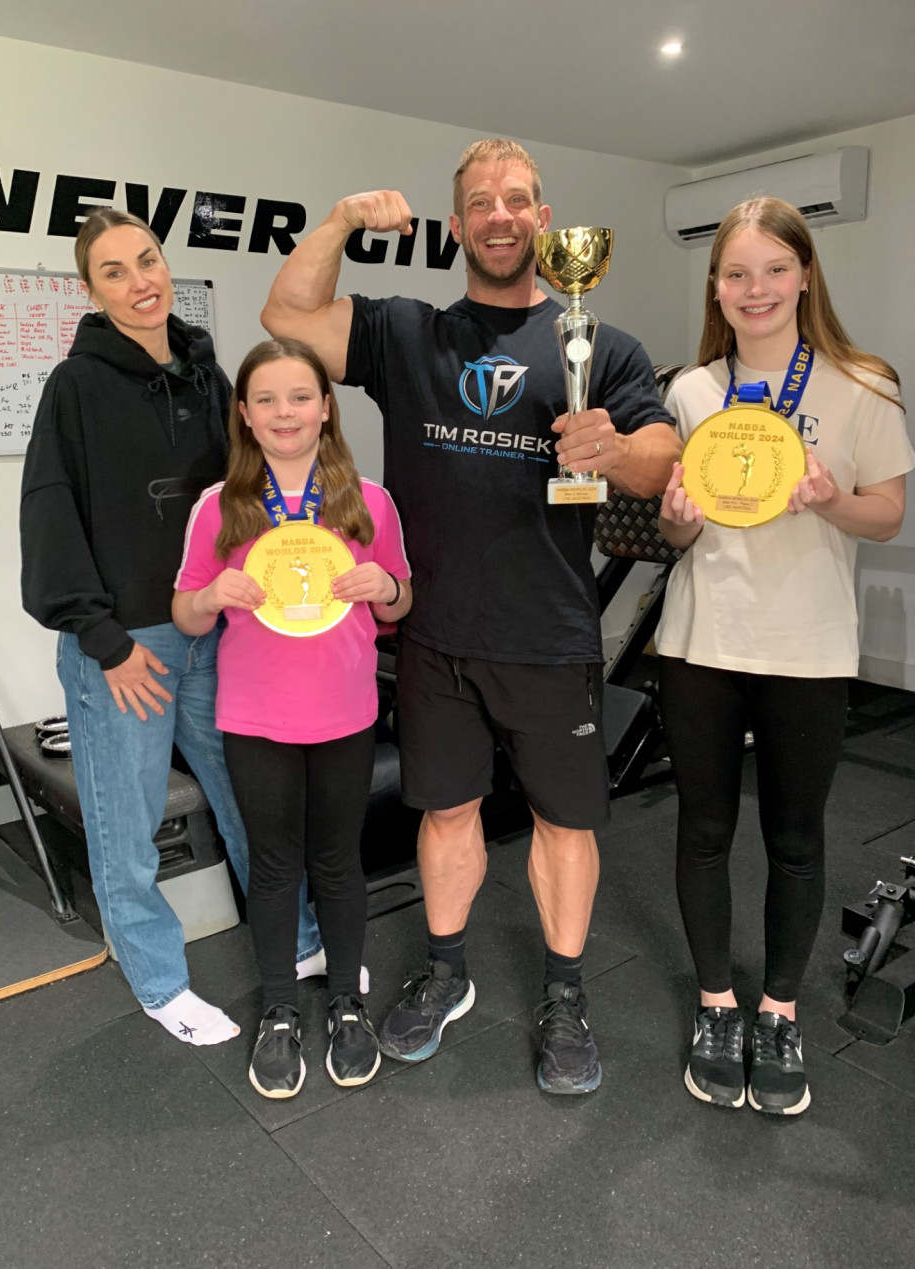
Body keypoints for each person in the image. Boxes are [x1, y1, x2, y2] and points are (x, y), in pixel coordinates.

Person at [260, 138, 680, 1093]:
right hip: (438, 636)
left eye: (518, 200)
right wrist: (337, 221)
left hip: (549, 637)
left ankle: (565, 994)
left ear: (543, 219)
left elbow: (664, 463)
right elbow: (285, 312)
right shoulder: (408, 332)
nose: (501, 215)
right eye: (482, 203)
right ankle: (446, 971)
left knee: (563, 826)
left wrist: (611, 448)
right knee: (446, 811)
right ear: (459, 227)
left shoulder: (599, 344)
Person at [20, 209, 323, 1044]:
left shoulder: (205, 374)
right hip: (128, 645)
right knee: (129, 825)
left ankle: (298, 942)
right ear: (90, 290)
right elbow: (50, 521)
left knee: (252, 801)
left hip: (216, 631)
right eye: (114, 271)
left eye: (146, 260)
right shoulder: (73, 389)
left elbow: (249, 485)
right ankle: (159, 982)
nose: (139, 280)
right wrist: (105, 643)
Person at [656, 196, 914, 1115]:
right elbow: (678, 534)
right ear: (717, 291)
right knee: (704, 830)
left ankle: (780, 1009)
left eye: (773, 269)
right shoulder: (691, 391)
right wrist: (676, 522)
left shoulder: (863, 384)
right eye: (736, 274)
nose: (755, 288)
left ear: (805, 275)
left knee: (797, 839)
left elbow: (887, 512)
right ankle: (718, 1004)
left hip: (807, 646)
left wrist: (832, 499)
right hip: (703, 643)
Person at [172, 338, 411, 1098]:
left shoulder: (367, 500)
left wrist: (386, 586)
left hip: (344, 714)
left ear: (325, 406)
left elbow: (402, 601)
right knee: (273, 866)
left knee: (339, 862)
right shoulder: (221, 507)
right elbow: (183, 612)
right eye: (267, 399)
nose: (285, 412)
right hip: (255, 719)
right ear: (244, 413)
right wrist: (210, 598)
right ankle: (279, 1007)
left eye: (300, 396)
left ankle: (346, 1001)